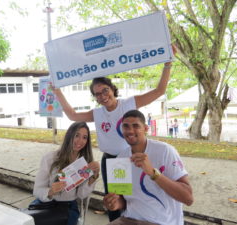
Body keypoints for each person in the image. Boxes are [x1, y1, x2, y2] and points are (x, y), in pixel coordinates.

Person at [52, 46, 175, 222]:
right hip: (112, 161)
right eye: (97, 94)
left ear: (112, 88)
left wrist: (168, 64)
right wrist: (58, 92)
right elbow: (72, 115)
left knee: (136, 198)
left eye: (105, 90)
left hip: (133, 159)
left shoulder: (128, 104)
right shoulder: (98, 113)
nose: (102, 96)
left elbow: (159, 91)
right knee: (114, 201)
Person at [104, 110, 193, 225]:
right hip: (129, 219)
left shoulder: (165, 151)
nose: (130, 130)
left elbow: (188, 198)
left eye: (136, 126)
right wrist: (114, 203)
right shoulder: (120, 159)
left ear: (146, 129)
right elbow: (124, 201)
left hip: (162, 222)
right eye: (126, 126)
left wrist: (153, 173)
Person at [32, 122, 100, 225]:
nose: (80, 141)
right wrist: (50, 192)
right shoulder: (50, 158)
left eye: (84, 137)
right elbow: (37, 190)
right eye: (77, 135)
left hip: (68, 208)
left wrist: (93, 178)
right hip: (45, 205)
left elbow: (81, 195)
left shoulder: (85, 163)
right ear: (69, 135)